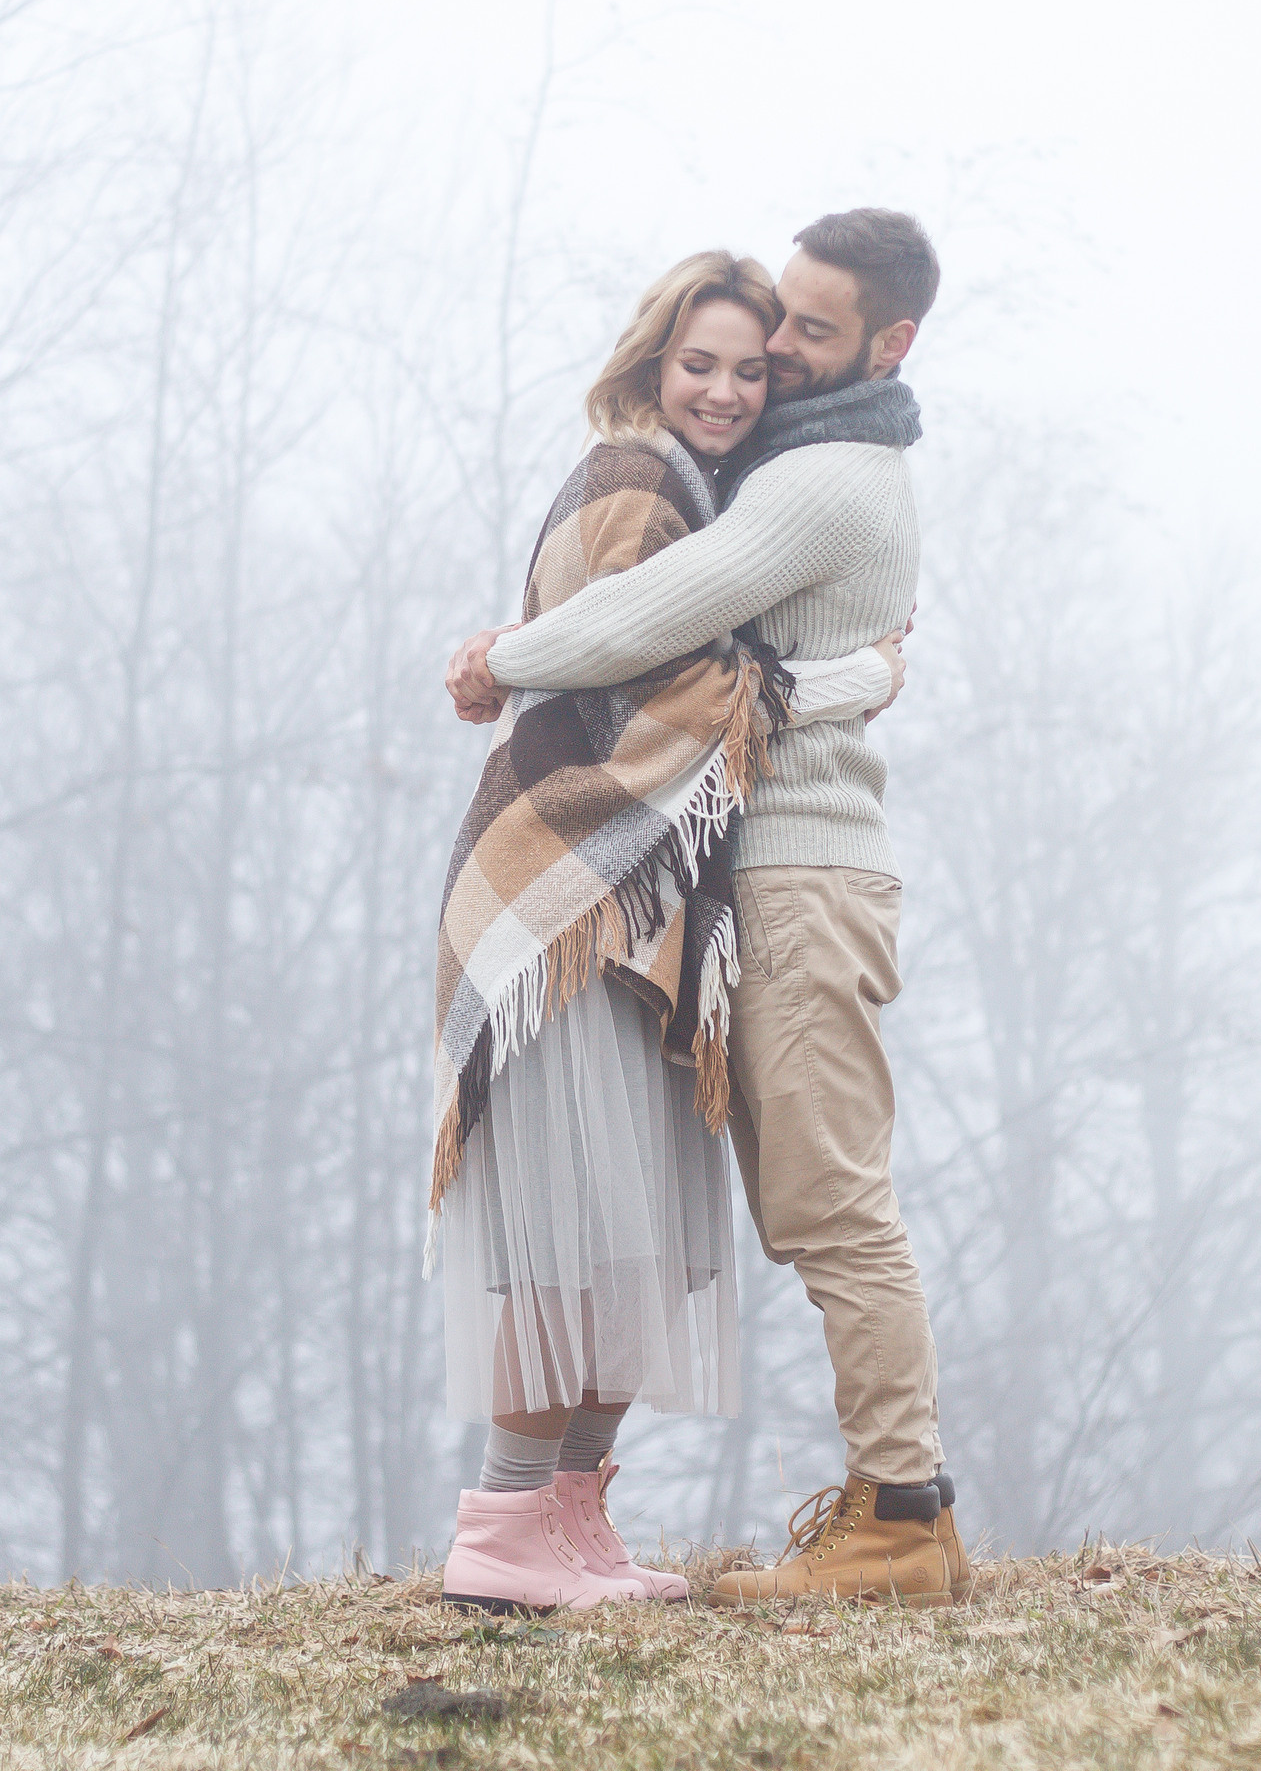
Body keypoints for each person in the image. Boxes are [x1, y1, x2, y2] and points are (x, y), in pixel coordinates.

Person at [445, 208, 968, 1608]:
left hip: (803, 879)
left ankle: (902, 1518)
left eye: (805, 331)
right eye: (761, 326)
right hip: (756, 883)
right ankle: (572, 1523)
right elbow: (706, 635)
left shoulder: (822, 483)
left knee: (828, 1211)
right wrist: (836, 684)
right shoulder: (780, 468)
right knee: (766, 1209)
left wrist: (505, 659)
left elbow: (652, 618)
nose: (775, 361)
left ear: (887, 341)